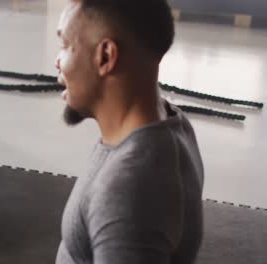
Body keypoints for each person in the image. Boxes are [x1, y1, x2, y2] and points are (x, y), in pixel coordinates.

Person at [54, 1, 204, 263]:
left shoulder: (130, 189)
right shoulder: (173, 123)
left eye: (66, 45)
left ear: (106, 57)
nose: (58, 61)